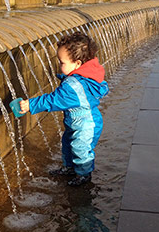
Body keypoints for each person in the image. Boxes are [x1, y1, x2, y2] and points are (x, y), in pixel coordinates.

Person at [19, 31, 109, 186]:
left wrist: (31, 104)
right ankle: (69, 167)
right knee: (67, 142)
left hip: (86, 125)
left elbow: (54, 100)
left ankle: (83, 175)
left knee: (80, 148)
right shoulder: (81, 77)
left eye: (62, 62)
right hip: (77, 122)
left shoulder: (74, 86)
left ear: (78, 64)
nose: (59, 65)